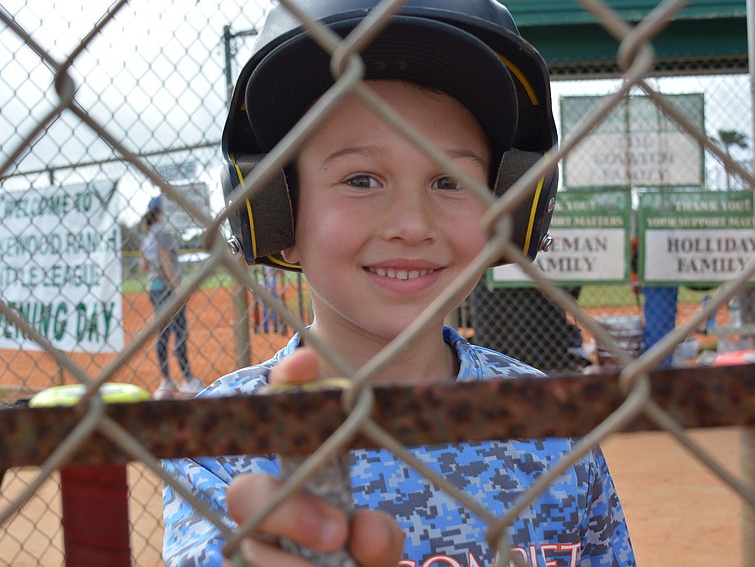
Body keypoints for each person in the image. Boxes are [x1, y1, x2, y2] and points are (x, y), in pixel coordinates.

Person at [162, 1, 635, 565]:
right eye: (362, 179)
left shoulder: (552, 422)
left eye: (450, 180)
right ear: (277, 212)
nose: (412, 225)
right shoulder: (224, 436)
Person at [140, 196, 203, 399]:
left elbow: (144, 267)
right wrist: (179, 288)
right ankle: (187, 379)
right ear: (160, 211)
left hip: (154, 288)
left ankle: (166, 380)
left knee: (163, 334)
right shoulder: (163, 232)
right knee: (180, 332)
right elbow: (166, 261)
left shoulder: (147, 234)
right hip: (168, 290)